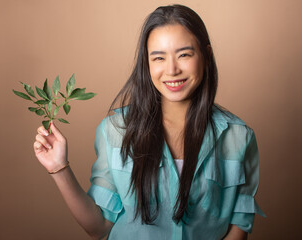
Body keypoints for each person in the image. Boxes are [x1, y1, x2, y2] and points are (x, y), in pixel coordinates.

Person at [33, 4, 265, 240]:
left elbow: (238, 227)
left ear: (206, 56)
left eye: (184, 54)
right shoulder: (115, 131)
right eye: (159, 58)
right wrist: (58, 168)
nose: (172, 70)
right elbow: (99, 226)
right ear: (147, 63)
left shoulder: (239, 137)